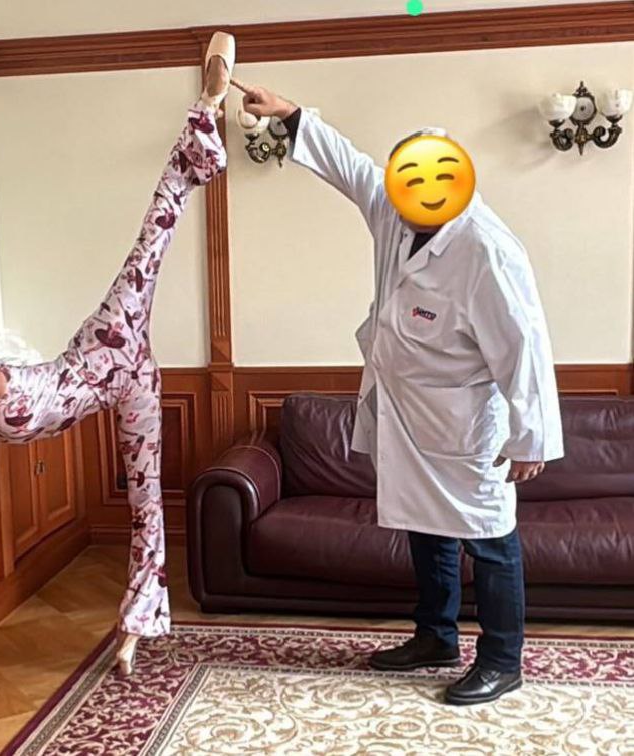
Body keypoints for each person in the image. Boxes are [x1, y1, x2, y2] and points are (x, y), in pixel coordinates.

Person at [0, 31, 236, 678]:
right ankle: (137, 625)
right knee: (147, 502)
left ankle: (204, 115)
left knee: (149, 243)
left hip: (101, 352)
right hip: (122, 385)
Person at [235, 80, 564, 705]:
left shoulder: (486, 249)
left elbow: (524, 346)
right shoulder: (393, 206)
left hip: (466, 419)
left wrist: (532, 436)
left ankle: (503, 660)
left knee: (489, 537)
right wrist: (291, 114)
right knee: (423, 525)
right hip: (405, 410)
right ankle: (436, 637)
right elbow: (349, 166)